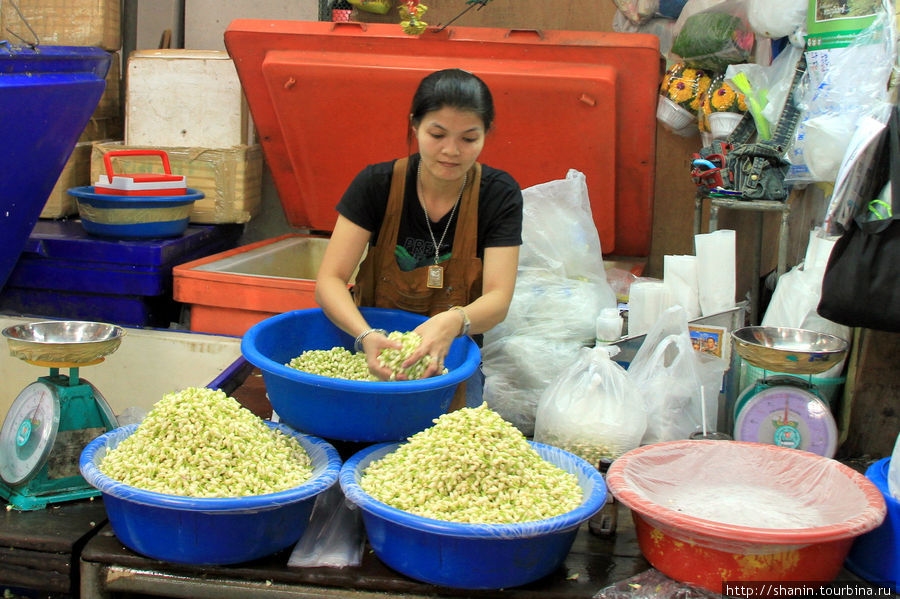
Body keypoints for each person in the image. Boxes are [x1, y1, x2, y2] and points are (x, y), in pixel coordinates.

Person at [315, 68, 523, 408]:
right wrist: (365, 334)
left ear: (487, 134)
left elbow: (498, 298)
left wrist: (454, 321)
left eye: (468, 139)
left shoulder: (498, 195)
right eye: (437, 134)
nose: (451, 151)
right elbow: (330, 280)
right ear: (415, 126)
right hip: (371, 345)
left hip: (451, 353)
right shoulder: (377, 184)